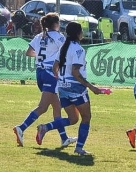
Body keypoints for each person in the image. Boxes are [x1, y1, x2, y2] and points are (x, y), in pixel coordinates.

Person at [35, 22, 102, 155]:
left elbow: (55, 67)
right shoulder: (78, 49)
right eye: (81, 31)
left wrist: (60, 79)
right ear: (78, 34)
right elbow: (75, 72)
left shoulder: (63, 47)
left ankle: (45, 127)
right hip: (75, 88)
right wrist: (92, 87)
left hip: (63, 87)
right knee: (86, 117)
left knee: (73, 119)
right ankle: (79, 148)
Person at [13, 13, 76, 147]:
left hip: (40, 73)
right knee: (42, 107)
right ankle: (21, 128)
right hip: (50, 74)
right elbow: (66, 52)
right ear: (55, 24)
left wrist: (43, 56)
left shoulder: (39, 36)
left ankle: (64, 138)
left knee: (56, 106)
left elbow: (29, 52)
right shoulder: (59, 37)